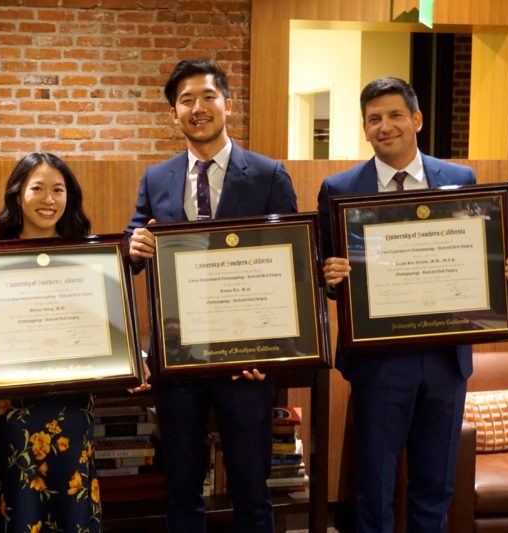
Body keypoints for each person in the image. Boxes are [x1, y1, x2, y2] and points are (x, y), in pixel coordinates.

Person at [317, 76, 508, 533]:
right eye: (374, 119)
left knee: (435, 484)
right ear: (365, 128)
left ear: (416, 119)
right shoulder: (338, 188)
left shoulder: (460, 179)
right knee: (372, 486)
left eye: (395, 115)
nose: (385, 126)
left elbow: (479, 256)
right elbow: (325, 270)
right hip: (378, 362)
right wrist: (330, 276)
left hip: (445, 359)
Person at [125, 58, 298, 532]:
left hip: (246, 357)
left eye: (207, 97)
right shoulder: (156, 178)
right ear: (173, 114)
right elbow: (135, 244)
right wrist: (133, 246)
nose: (197, 108)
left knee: (250, 484)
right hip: (178, 356)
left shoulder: (267, 175)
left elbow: (291, 265)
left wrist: (277, 351)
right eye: (185, 101)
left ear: (227, 103)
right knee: (181, 486)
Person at [0, 152, 101, 533]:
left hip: (71, 404)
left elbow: (100, 326)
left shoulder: (86, 256)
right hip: (14, 407)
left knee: (74, 506)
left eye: (58, 190)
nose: (48, 199)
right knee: (21, 503)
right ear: (18, 194)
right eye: (38, 188)